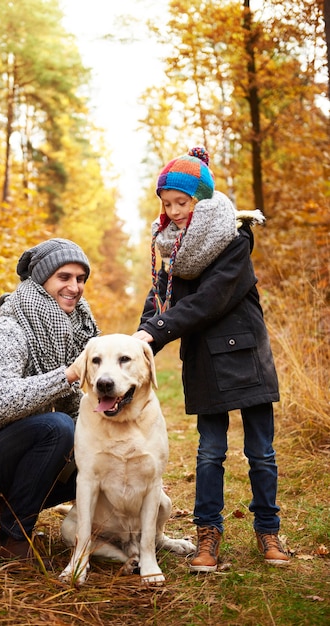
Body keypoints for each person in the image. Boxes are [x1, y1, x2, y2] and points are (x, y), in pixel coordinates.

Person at [134, 147, 290, 573]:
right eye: (166, 205)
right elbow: (160, 302)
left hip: (248, 356)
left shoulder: (234, 241)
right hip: (204, 360)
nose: (173, 212)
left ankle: (268, 529)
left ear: (201, 200)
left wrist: (156, 331)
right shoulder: (174, 251)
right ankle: (208, 534)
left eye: (181, 203)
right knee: (209, 453)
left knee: (261, 452)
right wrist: (135, 344)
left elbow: (209, 300)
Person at [0, 238, 99, 567]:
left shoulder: (71, 330)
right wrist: (67, 375)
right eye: (64, 277)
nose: (75, 287)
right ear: (42, 280)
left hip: (21, 447)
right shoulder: (9, 331)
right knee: (57, 428)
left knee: (97, 464)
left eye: (80, 278)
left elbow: (74, 407)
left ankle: (5, 503)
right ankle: (12, 539)